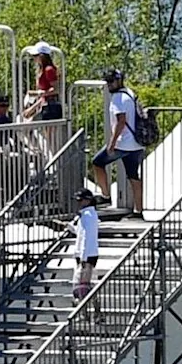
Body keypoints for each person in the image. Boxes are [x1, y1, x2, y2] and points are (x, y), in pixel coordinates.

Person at [100, 70, 145, 213]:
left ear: (118, 81)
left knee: (97, 163)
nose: (109, 85)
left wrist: (112, 143)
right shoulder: (129, 93)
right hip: (136, 142)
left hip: (123, 143)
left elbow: (121, 121)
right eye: (107, 82)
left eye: (111, 81)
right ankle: (139, 209)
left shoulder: (118, 98)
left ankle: (106, 195)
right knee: (133, 176)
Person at [73, 190, 103, 300]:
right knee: (82, 284)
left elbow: (87, 236)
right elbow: (81, 232)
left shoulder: (88, 215)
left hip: (87, 254)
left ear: (88, 200)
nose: (79, 203)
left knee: (82, 285)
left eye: (80, 200)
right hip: (85, 253)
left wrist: (83, 258)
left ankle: (85, 310)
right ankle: (89, 311)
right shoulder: (87, 214)